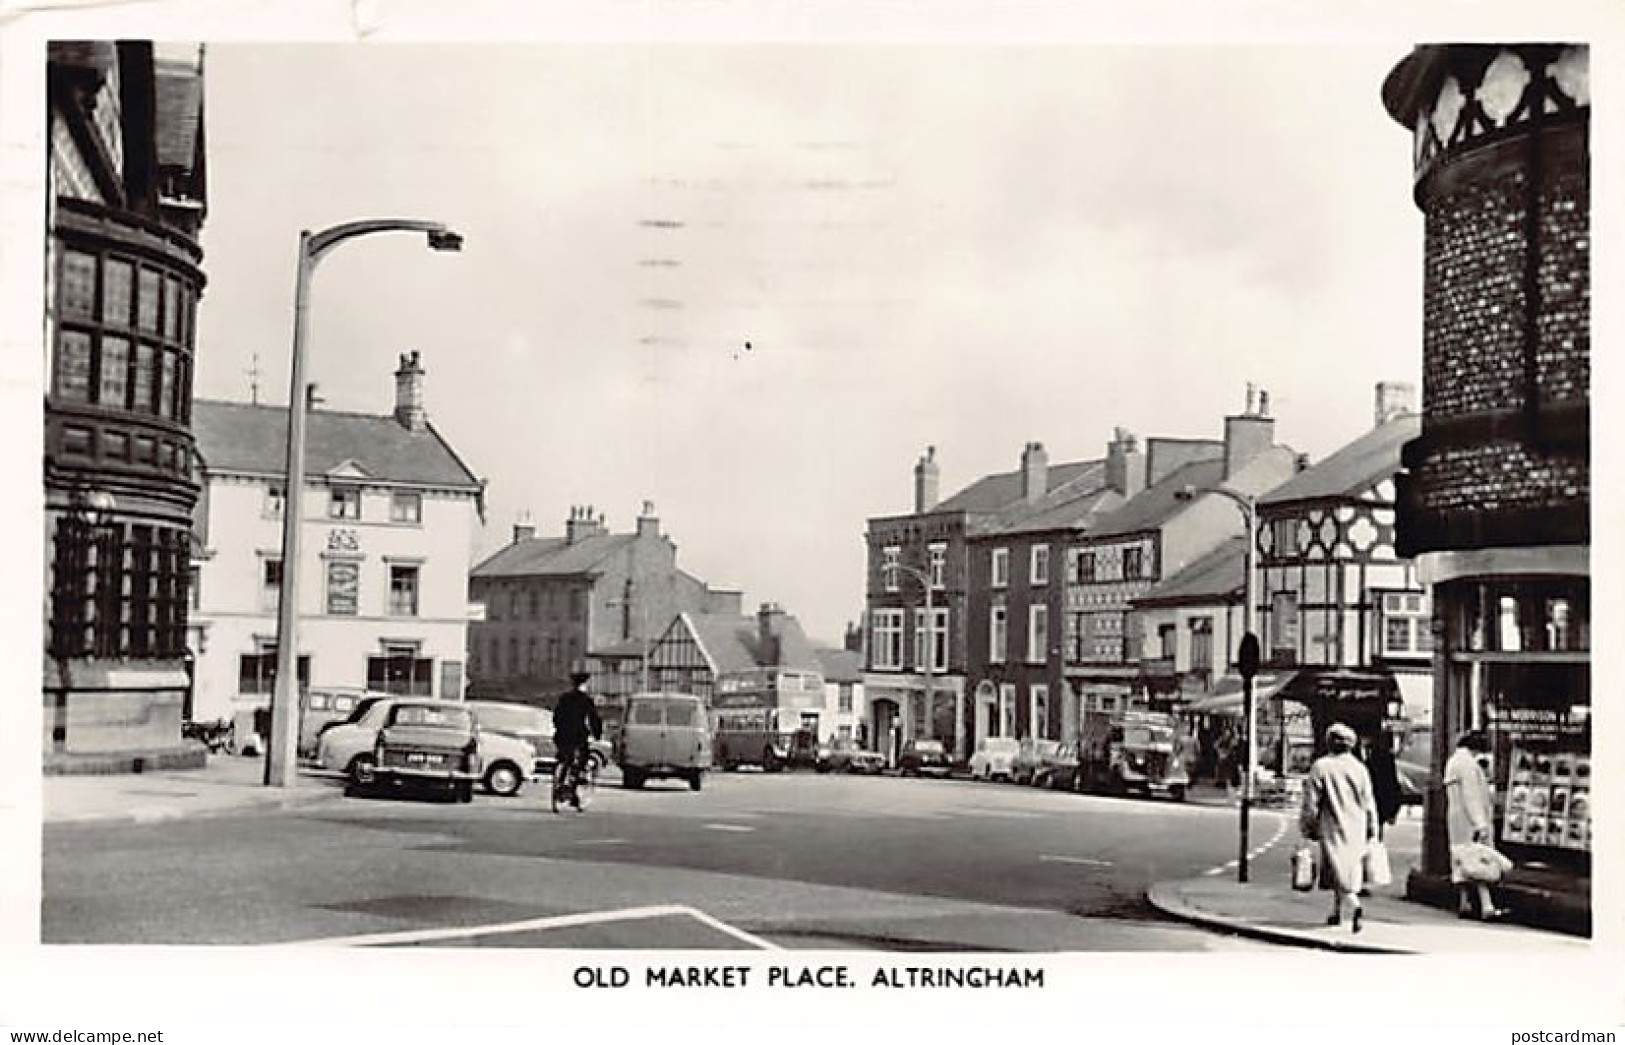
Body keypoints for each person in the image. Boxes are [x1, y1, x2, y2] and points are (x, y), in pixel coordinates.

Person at [1300, 722, 1379, 933]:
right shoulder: (1360, 769)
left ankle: (1354, 906)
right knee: (1346, 869)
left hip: (1333, 824)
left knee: (1337, 869)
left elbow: (1311, 801)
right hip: (1357, 825)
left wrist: (1308, 825)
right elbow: (1369, 801)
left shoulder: (1321, 766)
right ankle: (1335, 911)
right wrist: (1373, 827)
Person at [1445, 729, 1508, 920]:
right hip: (1469, 820)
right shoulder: (1468, 766)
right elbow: (1471, 796)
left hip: (1456, 819)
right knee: (1479, 861)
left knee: (1461, 861)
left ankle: (1464, 902)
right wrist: (1480, 824)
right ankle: (1487, 906)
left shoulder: (1453, 762)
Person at [552, 670, 603, 808]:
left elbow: (556, 716)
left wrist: (559, 728)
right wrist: (597, 734)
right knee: (581, 761)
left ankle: (560, 783)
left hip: (562, 735)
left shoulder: (564, 698)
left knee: (564, 758)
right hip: (578, 735)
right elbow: (594, 719)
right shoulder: (585, 700)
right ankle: (572, 788)